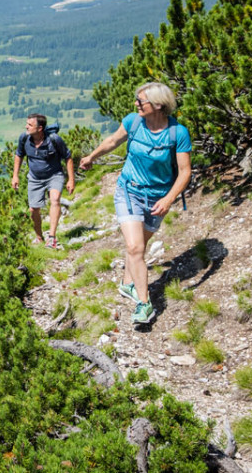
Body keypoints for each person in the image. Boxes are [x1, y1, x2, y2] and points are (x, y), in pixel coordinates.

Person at [79, 82, 192, 326]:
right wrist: (91, 157)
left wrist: (168, 198)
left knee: (140, 244)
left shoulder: (177, 133)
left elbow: (184, 172)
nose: (136, 104)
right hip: (128, 191)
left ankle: (127, 283)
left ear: (158, 104)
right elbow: (112, 141)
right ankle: (144, 304)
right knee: (135, 248)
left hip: (158, 197)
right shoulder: (133, 121)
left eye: (141, 101)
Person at [10, 114, 74, 249]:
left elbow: (68, 158)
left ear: (40, 128)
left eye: (30, 125)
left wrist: (71, 180)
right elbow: (19, 155)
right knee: (33, 210)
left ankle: (52, 238)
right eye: (26, 123)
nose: (26, 127)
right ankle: (39, 237)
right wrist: (15, 175)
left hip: (54, 175)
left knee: (55, 200)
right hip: (35, 178)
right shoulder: (24, 138)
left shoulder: (54, 139)